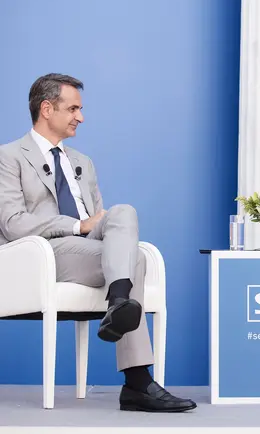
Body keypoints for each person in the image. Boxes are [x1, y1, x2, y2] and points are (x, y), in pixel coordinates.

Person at [0, 73, 196, 413]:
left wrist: (93, 226)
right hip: (43, 253)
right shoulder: (9, 156)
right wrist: (76, 225)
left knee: (123, 212)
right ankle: (137, 382)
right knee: (135, 260)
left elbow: (102, 223)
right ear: (46, 109)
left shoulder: (82, 162)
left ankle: (119, 301)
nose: (81, 117)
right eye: (73, 109)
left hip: (87, 249)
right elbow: (12, 223)